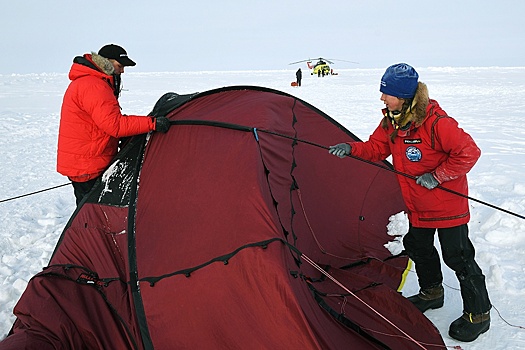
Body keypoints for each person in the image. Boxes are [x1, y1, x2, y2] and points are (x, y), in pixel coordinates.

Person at [328, 63, 491, 342]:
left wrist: (437, 176)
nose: (382, 98)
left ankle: (479, 314)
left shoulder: (437, 123)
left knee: (459, 257)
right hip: (418, 207)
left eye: (386, 93)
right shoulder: (391, 120)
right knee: (417, 246)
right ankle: (432, 292)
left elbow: (469, 152)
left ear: (403, 96)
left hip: (447, 207)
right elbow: (377, 148)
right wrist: (351, 149)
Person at [57, 44, 171, 205]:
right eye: (120, 66)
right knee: (91, 212)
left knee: (89, 209)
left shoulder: (92, 81)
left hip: (85, 159)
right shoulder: (93, 86)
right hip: (87, 164)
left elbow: (107, 120)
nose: (122, 71)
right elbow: (114, 125)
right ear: (107, 62)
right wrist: (153, 123)